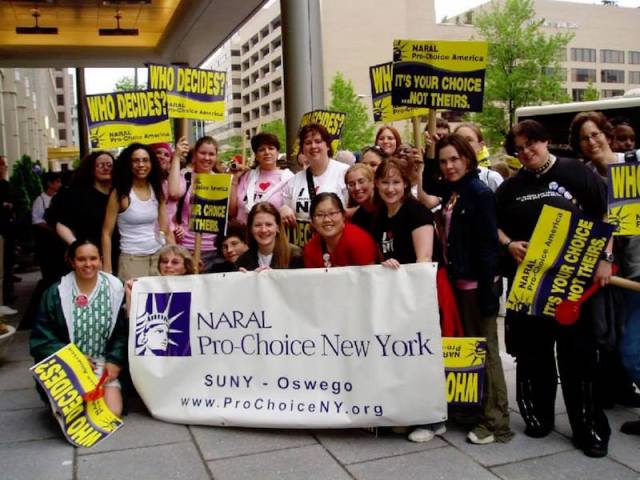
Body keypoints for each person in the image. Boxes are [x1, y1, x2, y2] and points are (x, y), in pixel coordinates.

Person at [497, 119, 611, 457]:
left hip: (574, 284)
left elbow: (607, 213)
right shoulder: (509, 188)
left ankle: (588, 426)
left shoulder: (577, 172)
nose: (525, 152)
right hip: (531, 286)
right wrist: (508, 245)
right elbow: (494, 227)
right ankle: (538, 416)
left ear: (545, 140)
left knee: (578, 357)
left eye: (530, 144)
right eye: (518, 149)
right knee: (534, 356)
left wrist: (605, 257)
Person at [434, 134, 513, 444]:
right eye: (443, 161)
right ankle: (478, 409)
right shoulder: (455, 191)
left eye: (454, 158)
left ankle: (497, 422)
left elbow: (488, 244)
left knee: (488, 352)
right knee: (474, 351)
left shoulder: (479, 192)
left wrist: (487, 291)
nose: (449, 165)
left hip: (478, 285)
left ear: (467, 157)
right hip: (461, 283)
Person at [371, 157, 441, 443]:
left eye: (396, 182)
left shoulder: (417, 213)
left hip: (416, 297)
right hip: (395, 297)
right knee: (402, 357)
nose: (390, 188)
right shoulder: (381, 216)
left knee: (421, 356)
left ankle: (432, 420)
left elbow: (423, 259)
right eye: (385, 182)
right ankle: (408, 414)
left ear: (406, 184)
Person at [30, 239, 126, 416]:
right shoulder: (55, 293)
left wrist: (115, 360)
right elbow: (42, 338)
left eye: (93, 258)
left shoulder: (115, 289)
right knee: (76, 418)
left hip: (103, 364)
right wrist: (74, 359)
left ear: (101, 259)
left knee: (112, 414)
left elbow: (122, 332)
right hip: (70, 365)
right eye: (82, 259)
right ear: (72, 262)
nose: (88, 264)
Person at [102, 143, 173, 281]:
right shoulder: (119, 193)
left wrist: (176, 256)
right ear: (128, 164)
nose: (141, 164)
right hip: (131, 259)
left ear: (152, 163)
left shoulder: (156, 189)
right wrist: (107, 270)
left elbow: (166, 229)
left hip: (158, 256)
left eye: (145, 160)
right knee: (135, 302)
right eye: (136, 160)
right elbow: (106, 233)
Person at [168, 136, 238, 272]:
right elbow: (173, 192)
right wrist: (176, 157)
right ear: (195, 154)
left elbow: (231, 212)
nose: (207, 158)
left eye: (211, 154)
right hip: (187, 249)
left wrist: (234, 181)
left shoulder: (221, 181)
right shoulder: (186, 178)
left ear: (216, 157)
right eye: (203, 153)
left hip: (215, 250)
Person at [280, 124, 349, 248]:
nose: (313, 146)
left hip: (337, 246)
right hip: (305, 250)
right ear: (302, 149)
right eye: (308, 142)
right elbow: (286, 210)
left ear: (327, 145)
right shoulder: (294, 181)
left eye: (318, 141)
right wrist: (284, 209)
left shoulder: (344, 173)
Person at [51, 151, 117, 267]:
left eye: (109, 165)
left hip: (118, 254)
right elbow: (61, 223)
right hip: (89, 257)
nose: (106, 168)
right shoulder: (78, 194)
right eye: (100, 165)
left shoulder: (119, 193)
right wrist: (77, 246)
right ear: (91, 168)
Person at [304, 193, 377, 268]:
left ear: (343, 215)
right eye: (320, 215)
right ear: (312, 221)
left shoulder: (359, 240)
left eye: (332, 213)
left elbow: (370, 276)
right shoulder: (311, 248)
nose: (327, 219)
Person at [235, 133, 293, 224]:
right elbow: (232, 210)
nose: (267, 152)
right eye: (261, 149)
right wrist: (235, 179)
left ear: (277, 153)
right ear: (256, 156)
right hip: (242, 234)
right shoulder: (247, 176)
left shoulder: (289, 178)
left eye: (271, 148)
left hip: (270, 234)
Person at [236, 202, 303, 271]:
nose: (263, 230)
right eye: (258, 225)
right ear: (250, 229)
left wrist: (272, 276)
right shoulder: (242, 261)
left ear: (278, 227)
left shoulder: (295, 256)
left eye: (269, 224)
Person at [453, 123, 503, 192]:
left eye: (469, 140)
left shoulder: (491, 178)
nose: (463, 144)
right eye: (459, 140)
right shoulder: (447, 177)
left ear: (481, 146)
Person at [0, 155, 16, 316]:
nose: (5, 168)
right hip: (2, 229)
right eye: (2, 165)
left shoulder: (6, 183)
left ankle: (6, 297)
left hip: (8, 228)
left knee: (7, 263)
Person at [345, 163, 376, 234]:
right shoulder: (357, 217)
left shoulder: (387, 208)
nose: (357, 188)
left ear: (373, 183)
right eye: (351, 184)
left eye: (361, 182)